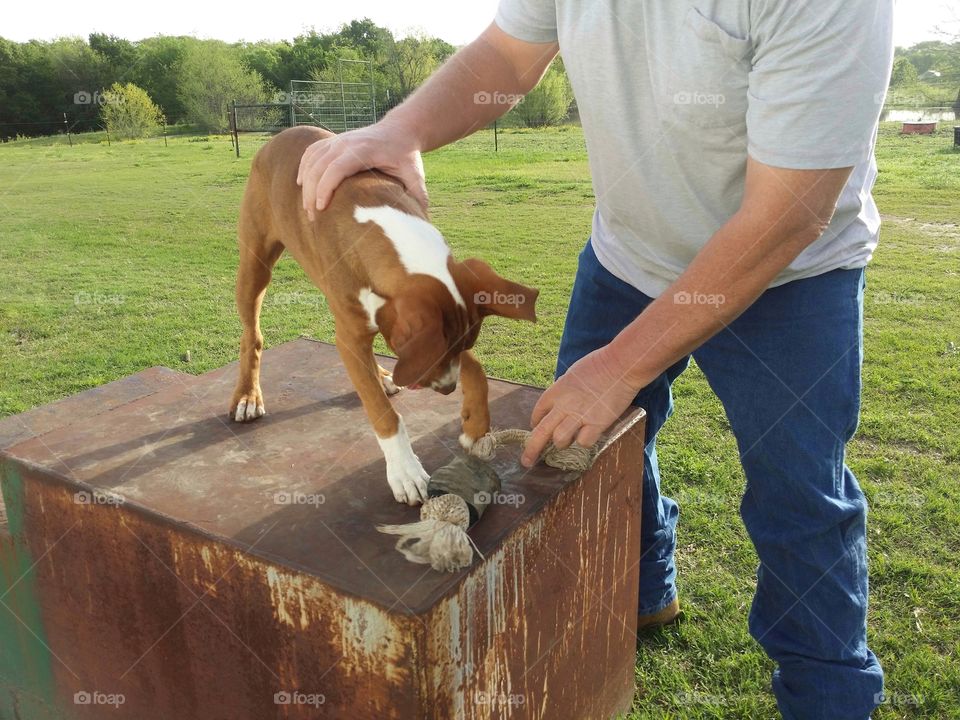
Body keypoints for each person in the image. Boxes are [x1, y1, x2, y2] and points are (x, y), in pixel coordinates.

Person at [298, 2, 894, 717]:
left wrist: (619, 368)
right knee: (591, 451)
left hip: (789, 276)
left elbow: (790, 210)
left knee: (799, 497)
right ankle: (646, 591)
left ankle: (829, 695)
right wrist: (402, 129)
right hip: (628, 259)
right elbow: (507, 56)